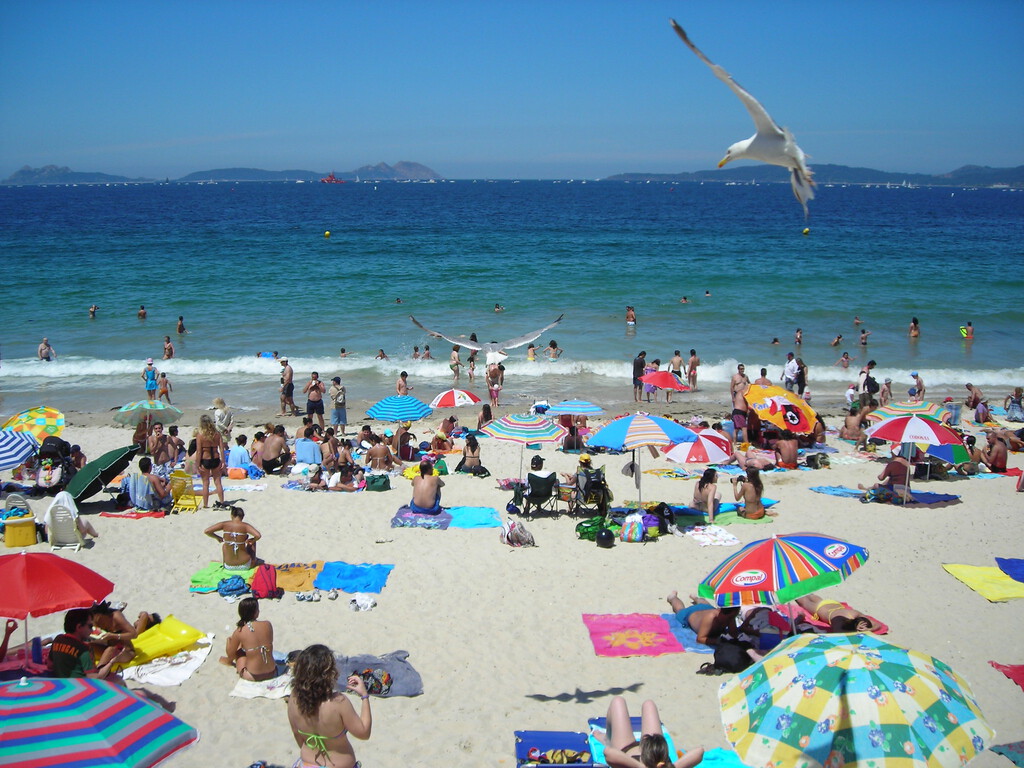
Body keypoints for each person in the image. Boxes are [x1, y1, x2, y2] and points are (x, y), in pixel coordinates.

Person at [287, 644, 371, 768]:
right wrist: (364, 696)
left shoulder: (293, 699)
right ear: (329, 674)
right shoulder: (338, 702)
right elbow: (364, 733)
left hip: (307, 763)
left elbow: (297, 735)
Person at [593, 695, 704, 768]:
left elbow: (608, 752)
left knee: (618, 701)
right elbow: (700, 751)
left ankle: (607, 739)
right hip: (656, 751)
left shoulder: (628, 765)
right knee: (649, 704)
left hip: (626, 749)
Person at [50, 609, 128, 685]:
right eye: (90, 626)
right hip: (81, 688)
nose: (91, 631)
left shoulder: (58, 639)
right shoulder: (84, 649)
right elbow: (95, 679)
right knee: (119, 681)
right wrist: (113, 661)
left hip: (62, 685)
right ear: (79, 627)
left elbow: (50, 665)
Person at [89, 601, 158, 668]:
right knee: (87, 646)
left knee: (111, 649)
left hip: (126, 651)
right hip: (107, 647)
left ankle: (98, 672)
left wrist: (113, 636)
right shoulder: (97, 619)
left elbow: (134, 633)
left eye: (147, 620)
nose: (94, 620)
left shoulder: (116, 616)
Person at [222, 597, 276, 680]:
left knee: (238, 651)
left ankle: (227, 662)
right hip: (272, 672)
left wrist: (229, 641)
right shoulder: (268, 624)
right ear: (255, 613)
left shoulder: (240, 631)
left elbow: (231, 655)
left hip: (253, 676)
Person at [666, 592, 737, 647]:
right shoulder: (711, 618)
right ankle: (672, 597)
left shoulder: (730, 615)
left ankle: (695, 598)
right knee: (679, 610)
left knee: (705, 604)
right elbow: (700, 638)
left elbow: (733, 634)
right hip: (690, 614)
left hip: (707, 608)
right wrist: (717, 641)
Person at [795, 593, 883, 633]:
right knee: (796, 594)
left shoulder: (854, 613)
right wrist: (866, 631)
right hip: (819, 608)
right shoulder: (838, 621)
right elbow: (838, 636)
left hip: (829, 603)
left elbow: (877, 625)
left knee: (805, 592)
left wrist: (869, 629)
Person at [196, 414, 226, 508]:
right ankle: (222, 502)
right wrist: (223, 462)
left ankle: (205, 504)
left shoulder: (200, 435)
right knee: (218, 482)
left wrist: (197, 464)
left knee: (205, 484)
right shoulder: (217, 434)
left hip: (205, 460)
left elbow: (199, 451)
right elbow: (221, 449)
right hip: (216, 459)